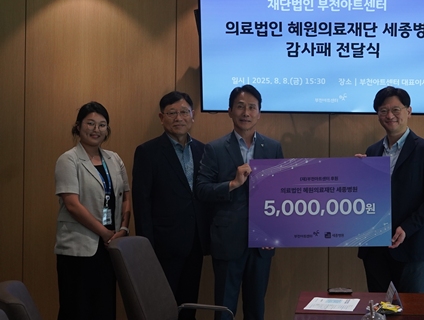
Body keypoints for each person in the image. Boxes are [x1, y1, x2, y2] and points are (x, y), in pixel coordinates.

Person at [197, 85, 283, 320]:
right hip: (227, 240)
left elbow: (280, 194)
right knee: (225, 309)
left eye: (252, 107)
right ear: (230, 111)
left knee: (256, 309)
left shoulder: (273, 147)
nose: (246, 113)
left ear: (259, 113)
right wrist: (233, 184)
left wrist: (274, 232)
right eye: (240, 107)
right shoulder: (214, 148)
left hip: (262, 242)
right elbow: (202, 190)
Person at [357, 86, 424, 293]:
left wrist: (407, 227)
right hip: (375, 247)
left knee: (411, 307)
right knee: (378, 305)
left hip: (410, 245)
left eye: (396, 110)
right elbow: (368, 197)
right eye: (383, 111)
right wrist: (356, 173)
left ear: (409, 111)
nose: (390, 116)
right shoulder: (372, 151)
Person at [132, 91, 209, 319]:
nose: (179, 118)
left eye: (184, 112)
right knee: (161, 308)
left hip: (195, 242)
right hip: (163, 246)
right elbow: (142, 203)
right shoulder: (147, 152)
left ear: (192, 115)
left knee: (188, 306)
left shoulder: (203, 150)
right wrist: (147, 248)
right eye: (172, 113)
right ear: (161, 117)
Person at [54, 101, 130, 320]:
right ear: (78, 126)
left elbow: (126, 195)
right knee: (77, 309)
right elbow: (72, 205)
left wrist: (123, 229)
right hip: (78, 248)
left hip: (110, 246)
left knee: (104, 307)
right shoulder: (68, 159)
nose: (96, 129)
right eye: (90, 123)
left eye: (102, 125)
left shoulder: (114, 159)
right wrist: (104, 232)